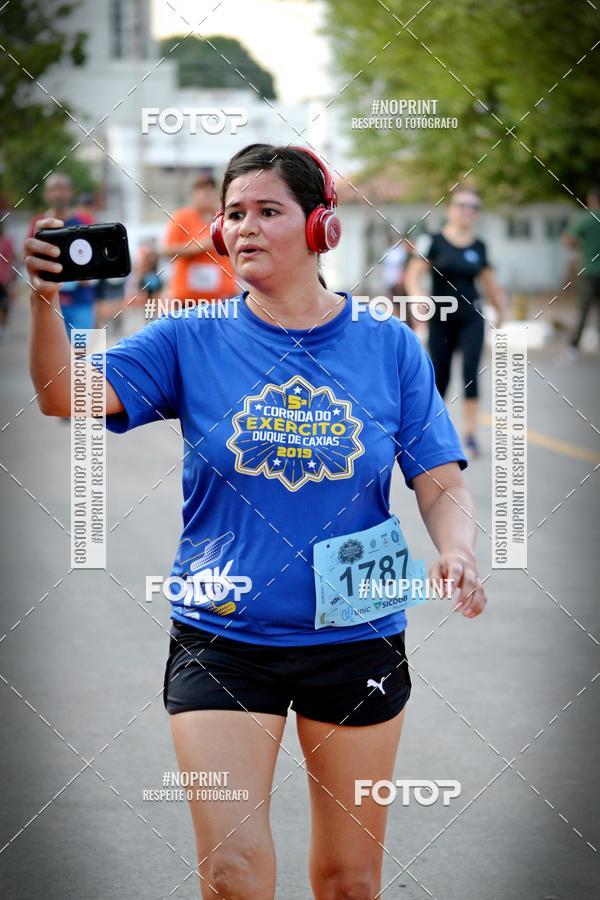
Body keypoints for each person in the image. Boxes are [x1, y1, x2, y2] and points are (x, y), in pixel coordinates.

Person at [26, 144, 488, 900]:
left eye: (267, 211)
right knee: (233, 873)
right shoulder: (188, 338)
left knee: (350, 879)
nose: (244, 227)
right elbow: (60, 393)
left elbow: (437, 479)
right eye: (233, 213)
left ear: (321, 229)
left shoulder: (389, 347)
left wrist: (458, 549)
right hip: (223, 634)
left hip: (357, 633)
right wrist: (46, 299)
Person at [404, 188, 506, 459]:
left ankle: (470, 435)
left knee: (471, 374)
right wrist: (417, 298)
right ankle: (432, 434)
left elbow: (489, 282)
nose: (468, 211)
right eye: (463, 205)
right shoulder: (433, 240)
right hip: (442, 317)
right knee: (441, 376)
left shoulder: (479, 246)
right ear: (451, 208)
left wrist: (501, 309)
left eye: (474, 207)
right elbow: (413, 275)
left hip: (472, 316)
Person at [27, 173, 96, 336]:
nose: (58, 194)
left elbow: (95, 263)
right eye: (53, 189)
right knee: (52, 360)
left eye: (63, 188)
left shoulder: (85, 220)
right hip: (48, 303)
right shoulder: (37, 224)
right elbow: (28, 261)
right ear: (46, 194)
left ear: (71, 192)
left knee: (84, 357)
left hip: (82, 303)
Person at [163, 171, 238, 304]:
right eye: (201, 190)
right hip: (187, 300)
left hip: (222, 298)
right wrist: (199, 246)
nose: (205, 194)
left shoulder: (225, 217)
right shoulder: (182, 217)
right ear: (193, 194)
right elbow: (167, 250)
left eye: (210, 190)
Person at [562, 185, 600, 357]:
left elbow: (568, 240)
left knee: (583, 310)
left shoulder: (585, 218)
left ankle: (573, 348)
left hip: (589, 271)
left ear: (591, 199)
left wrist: (582, 246)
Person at [0, 221, 16, 338]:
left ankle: (4, 326)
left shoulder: (7, 241)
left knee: (5, 304)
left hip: (4, 279)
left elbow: (11, 259)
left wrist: (11, 280)